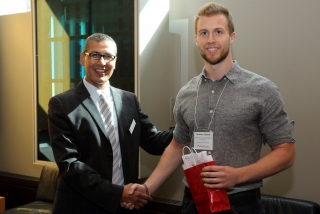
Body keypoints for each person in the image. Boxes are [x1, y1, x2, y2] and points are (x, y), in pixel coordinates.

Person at [129, 2, 295, 214]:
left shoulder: (262, 90)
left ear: (231, 37)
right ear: (196, 39)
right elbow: (178, 146)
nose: (211, 39)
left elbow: (286, 152)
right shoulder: (186, 93)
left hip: (241, 204)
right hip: (193, 202)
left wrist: (238, 176)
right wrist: (146, 188)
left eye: (219, 31)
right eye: (204, 33)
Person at [48, 33, 172, 214]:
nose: (102, 62)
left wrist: (188, 129)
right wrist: (117, 193)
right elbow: (70, 164)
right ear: (83, 58)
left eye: (108, 56)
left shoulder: (129, 100)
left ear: (115, 60)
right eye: (95, 55)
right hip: (81, 206)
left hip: (126, 207)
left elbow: (152, 141)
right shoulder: (62, 104)